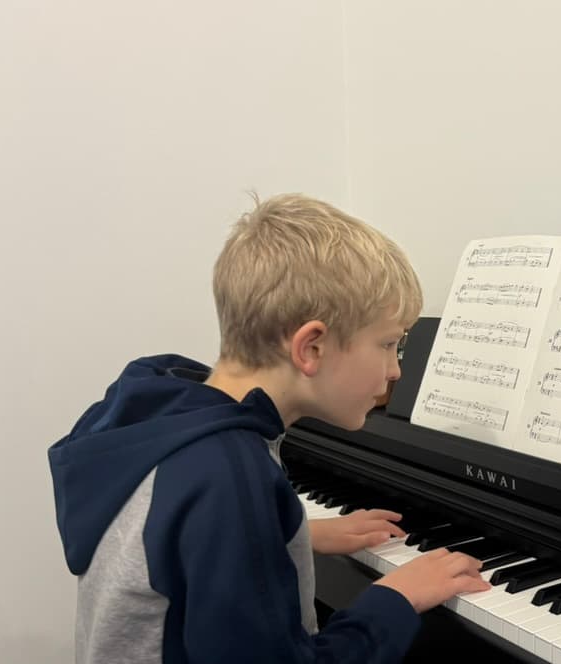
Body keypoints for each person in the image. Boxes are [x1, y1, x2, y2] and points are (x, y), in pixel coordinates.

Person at [48, 193, 490, 663]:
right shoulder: (227, 476)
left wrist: (294, 532)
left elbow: (175, 543)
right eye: (388, 344)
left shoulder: (163, 409)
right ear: (311, 349)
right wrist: (397, 599)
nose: (396, 370)